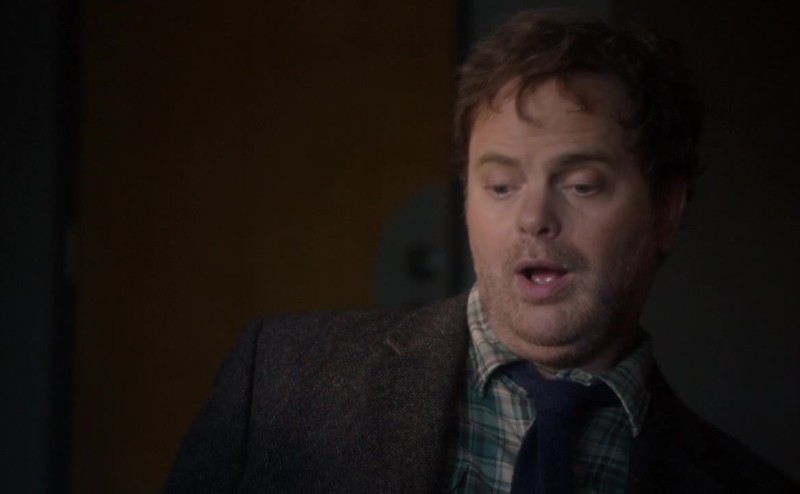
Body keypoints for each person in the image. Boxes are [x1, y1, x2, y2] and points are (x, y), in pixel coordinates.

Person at [163, 9, 798, 493]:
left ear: (665, 211)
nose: (533, 218)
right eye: (500, 186)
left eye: (581, 185)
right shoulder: (279, 385)